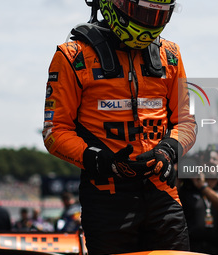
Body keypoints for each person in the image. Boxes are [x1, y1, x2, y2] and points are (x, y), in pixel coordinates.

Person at [42, 0, 197, 253]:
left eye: (158, 15)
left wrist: (169, 149)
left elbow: (186, 122)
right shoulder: (73, 56)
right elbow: (54, 131)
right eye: (143, 12)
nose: (149, 22)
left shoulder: (170, 54)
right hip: (107, 195)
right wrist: (96, 158)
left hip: (163, 193)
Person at [179, 150, 218, 255]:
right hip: (191, 251)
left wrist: (203, 187)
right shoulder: (186, 191)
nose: (210, 161)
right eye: (206, 160)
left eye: (214, 159)